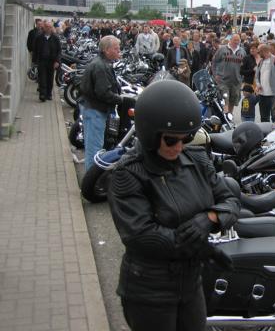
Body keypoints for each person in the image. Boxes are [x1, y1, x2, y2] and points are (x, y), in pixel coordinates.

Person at [108, 80, 240, 331]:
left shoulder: (197, 160)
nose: (179, 147)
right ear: (150, 133)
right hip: (150, 289)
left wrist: (209, 219)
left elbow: (231, 200)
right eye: (170, 140)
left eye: (186, 138)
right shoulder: (129, 172)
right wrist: (199, 247)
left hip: (191, 284)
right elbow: (141, 235)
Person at [79, 36, 132, 172]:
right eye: (116, 48)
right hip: (96, 111)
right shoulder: (101, 66)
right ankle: (90, 180)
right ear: (107, 50)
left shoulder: (102, 63)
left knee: (93, 146)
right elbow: (103, 92)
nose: (119, 50)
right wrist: (122, 100)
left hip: (94, 109)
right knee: (94, 149)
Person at [211, 34, 246, 114]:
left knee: (232, 101)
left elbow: (244, 66)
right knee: (225, 100)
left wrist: (242, 77)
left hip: (236, 81)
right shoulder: (222, 49)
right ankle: (225, 115)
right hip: (223, 80)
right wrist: (215, 74)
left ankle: (229, 116)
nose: (236, 42)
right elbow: (214, 61)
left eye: (238, 40)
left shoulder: (242, 51)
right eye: (235, 40)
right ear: (230, 40)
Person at [255, 43, 275, 122]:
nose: (258, 54)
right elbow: (257, 76)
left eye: (259, 52)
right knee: (263, 118)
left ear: (264, 51)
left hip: (274, 95)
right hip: (262, 95)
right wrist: (258, 84)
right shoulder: (260, 62)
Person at [32, 21, 61, 102]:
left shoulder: (55, 38)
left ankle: (49, 94)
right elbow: (35, 49)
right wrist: (34, 61)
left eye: (50, 27)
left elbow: (59, 51)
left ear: (52, 28)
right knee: (42, 78)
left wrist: (57, 61)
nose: (48, 28)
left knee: (50, 78)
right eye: (47, 27)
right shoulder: (39, 37)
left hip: (51, 61)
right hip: (41, 61)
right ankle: (42, 94)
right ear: (44, 27)